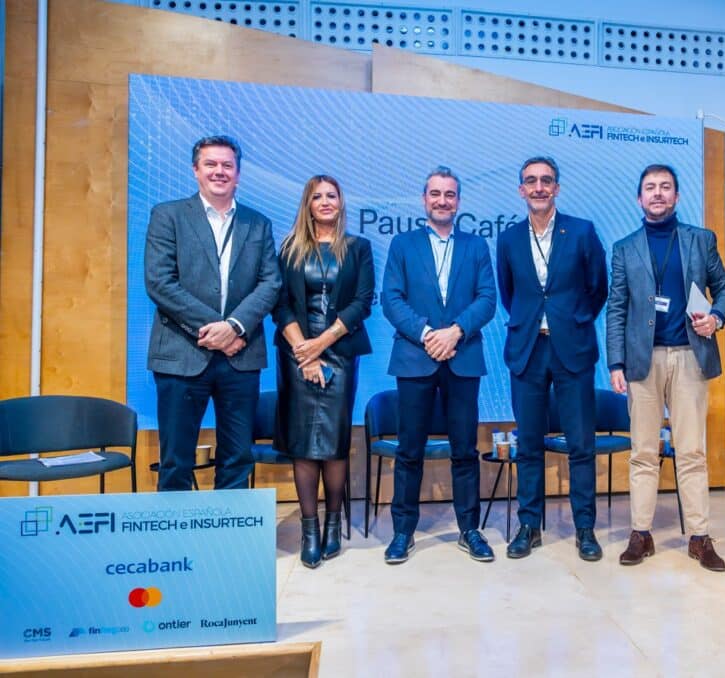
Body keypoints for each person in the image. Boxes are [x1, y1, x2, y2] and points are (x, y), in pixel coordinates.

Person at [606, 164, 725, 572]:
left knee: (692, 452)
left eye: (665, 187)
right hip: (642, 362)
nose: (658, 194)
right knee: (643, 452)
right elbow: (617, 308)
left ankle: (699, 537)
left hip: (689, 357)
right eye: (650, 188)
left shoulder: (700, 240)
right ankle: (640, 535)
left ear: (677, 196)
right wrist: (615, 362)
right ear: (639, 198)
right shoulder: (625, 248)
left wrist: (715, 317)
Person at [145, 135, 281, 492]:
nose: (219, 171)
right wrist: (216, 330)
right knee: (176, 459)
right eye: (211, 164)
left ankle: (229, 544)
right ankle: (175, 543)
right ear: (195, 170)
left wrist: (235, 327)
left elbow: (270, 283)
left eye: (227, 165)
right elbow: (159, 282)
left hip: (241, 355)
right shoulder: (168, 215)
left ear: (238, 174)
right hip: (181, 355)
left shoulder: (258, 223)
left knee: (237, 458)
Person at [380, 166, 497, 564]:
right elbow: (391, 300)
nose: (442, 200)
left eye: (449, 194)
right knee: (409, 451)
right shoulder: (402, 244)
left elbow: (487, 299)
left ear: (458, 201)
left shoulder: (476, 246)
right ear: (424, 199)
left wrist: (455, 332)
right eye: (435, 194)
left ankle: (470, 529)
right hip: (416, 358)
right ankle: (402, 533)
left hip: (463, 358)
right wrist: (429, 333)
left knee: (465, 450)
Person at [496, 157, 608, 561]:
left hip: (572, 348)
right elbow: (509, 294)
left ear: (557, 188)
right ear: (521, 190)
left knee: (580, 443)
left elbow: (598, 288)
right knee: (528, 443)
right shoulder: (508, 239)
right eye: (531, 181)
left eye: (546, 181)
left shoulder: (581, 231)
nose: (539, 187)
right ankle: (529, 526)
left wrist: (574, 320)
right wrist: (534, 321)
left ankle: (584, 529)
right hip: (527, 349)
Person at [273, 175, 374, 568]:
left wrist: (323, 344)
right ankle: (310, 530)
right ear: (308, 204)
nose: (326, 202)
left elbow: (363, 302)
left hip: (341, 353)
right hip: (297, 354)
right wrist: (305, 351)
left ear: (341, 202)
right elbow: (279, 304)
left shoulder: (359, 248)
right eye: (318, 196)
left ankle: (335, 523)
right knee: (303, 445)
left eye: (332, 195)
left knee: (332, 444)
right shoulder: (289, 248)